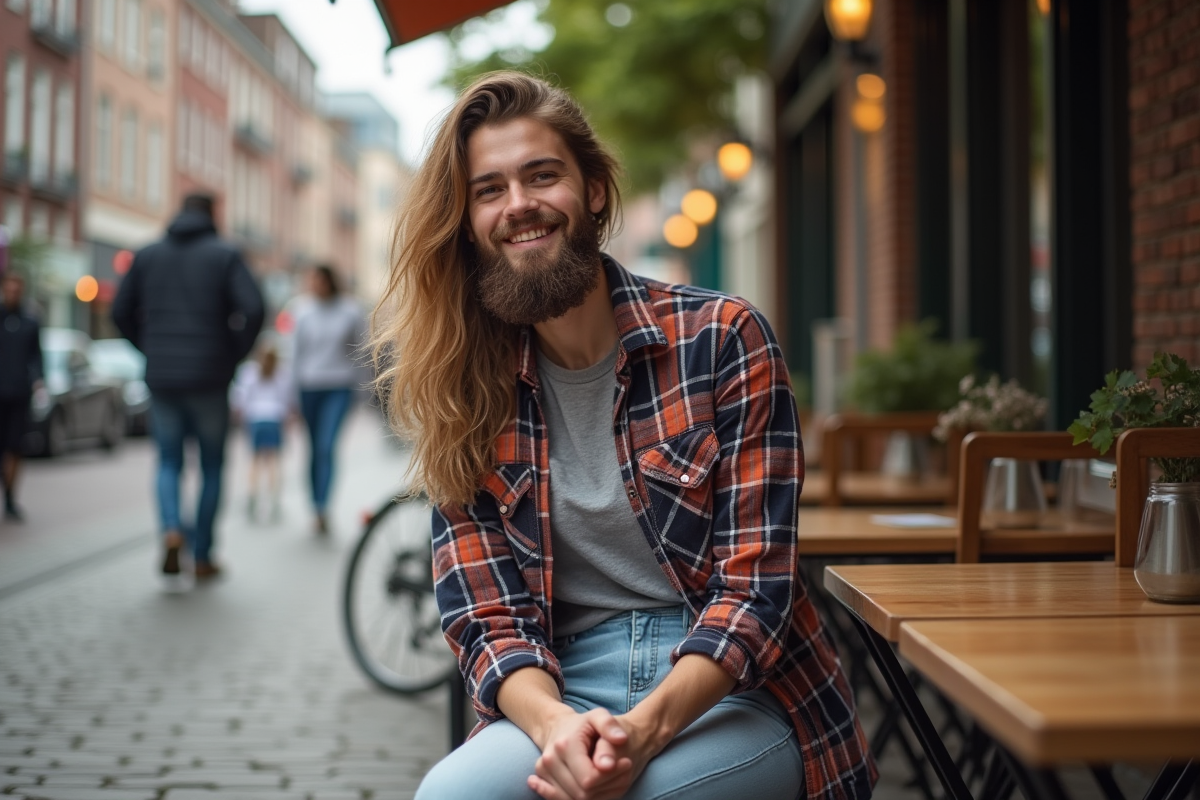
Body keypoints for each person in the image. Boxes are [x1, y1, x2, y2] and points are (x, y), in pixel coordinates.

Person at [372, 72, 875, 800]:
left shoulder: (722, 338)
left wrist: (641, 734)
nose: (519, 204)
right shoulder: (463, 389)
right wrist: (556, 728)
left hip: (730, 687)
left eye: (542, 175)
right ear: (469, 222)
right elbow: (485, 616)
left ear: (596, 190)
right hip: (558, 680)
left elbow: (754, 595)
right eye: (489, 189)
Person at [112, 193, 264, 581]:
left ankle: (172, 531)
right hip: (210, 377)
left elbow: (119, 310)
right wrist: (231, 353)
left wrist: (150, 347)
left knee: (168, 461)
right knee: (211, 465)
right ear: (212, 214)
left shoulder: (147, 255)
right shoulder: (224, 255)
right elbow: (254, 308)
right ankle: (202, 556)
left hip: (163, 378)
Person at [290, 264, 367, 534]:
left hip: (339, 386)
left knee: (326, 446)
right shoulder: (301, 310)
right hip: (308, 386)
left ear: (329, 281)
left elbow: (361, 350)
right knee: (313, 449)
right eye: (311, 280)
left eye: (318, 280)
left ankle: (323, 506)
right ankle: (315, 505)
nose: (314, 284)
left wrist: (363, 391)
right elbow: (294, 353)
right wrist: (290, 395)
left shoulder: (351, 310)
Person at [231, 342, 292, 523]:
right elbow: (287, 399)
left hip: (255, 418)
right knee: (273, 461)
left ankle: (252, 495)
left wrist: (242, 417)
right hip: (274, 418)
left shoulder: (248, 371)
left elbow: (240, 397)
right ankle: (274, 499)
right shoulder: (282, 372)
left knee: (254, 461)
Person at [0, 272, 43, 521]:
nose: (12, 293)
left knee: (15, 447)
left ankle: (10, 498)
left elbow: (36, 355)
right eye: (9, 288)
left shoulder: (30, 322)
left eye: (17, 289)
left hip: (19, 394)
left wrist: (37, 379)